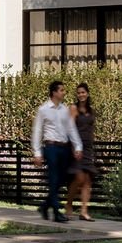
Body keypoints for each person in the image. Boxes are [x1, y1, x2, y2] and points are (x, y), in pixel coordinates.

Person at [30, 80, 82, 222]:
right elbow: (37, 131)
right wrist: (37, 153)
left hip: (64, 147)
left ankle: (45, 206)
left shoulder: (64, 110)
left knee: (61, 178)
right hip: (51, 147)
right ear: (54, 92)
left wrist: (78, 146)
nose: (64, 92)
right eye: (61, 90)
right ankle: (56, 211)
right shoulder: (43, 109)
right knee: (53, 177)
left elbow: (71, 128)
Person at [67, 83, 97, 222]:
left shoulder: (91, 110)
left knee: (87, 180)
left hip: (88, 148)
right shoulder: (73, 108)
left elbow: (91, 129)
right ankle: (69, 204)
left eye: (83, 92)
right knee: (79, 178)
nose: (81, 95)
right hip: (77, 146)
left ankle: (84, 211)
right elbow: (70, 128)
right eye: (78, 93)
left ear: (88, 93)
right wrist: (74, 147)